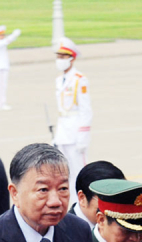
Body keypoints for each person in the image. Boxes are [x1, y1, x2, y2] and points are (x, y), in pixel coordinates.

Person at [54, 38, 92, 205]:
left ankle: (83, 205)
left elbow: (86, 110)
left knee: (79, 173)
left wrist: (83, 136)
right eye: (59, 56)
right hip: (63, 131)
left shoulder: (79, 79)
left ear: (72, 58)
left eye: (64, 56)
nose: (60, 59)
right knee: (65, 173)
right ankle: (70, 205)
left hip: (76, 132)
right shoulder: (59, 80)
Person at [72, 160, 126, 230]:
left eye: (119, 198)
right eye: (107, 199)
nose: (114, 206)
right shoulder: (63, 233)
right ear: (82, 198)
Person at [0, 25, 21, 111]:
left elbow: (7, 41)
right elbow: (7, 41)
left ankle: (2, 103)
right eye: (1, 35)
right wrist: (14, 35)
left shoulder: (0, 42)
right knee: (0, 87)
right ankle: (1, 104)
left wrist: (14, 36)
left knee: (3, 86)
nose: (3, 36)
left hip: (4, 66)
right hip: (0, 67)